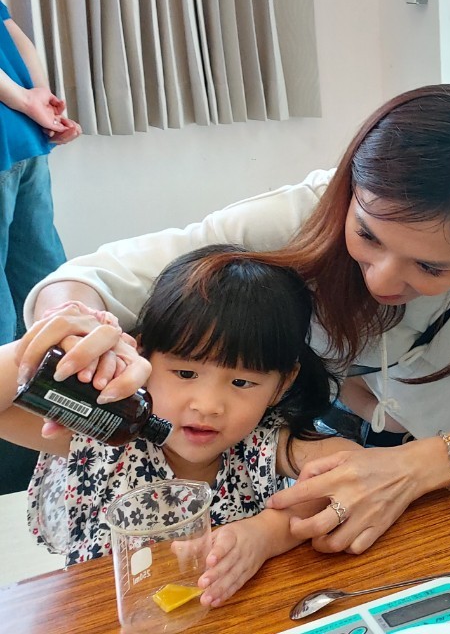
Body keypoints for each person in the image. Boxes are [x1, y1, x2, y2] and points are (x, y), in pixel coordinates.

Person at [25, 84, 450, 554]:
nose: (382, 280)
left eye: (431, 267)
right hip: (343, 446)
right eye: (368, 234)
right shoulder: (299, 214)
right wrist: (82, 331)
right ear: (353, 187)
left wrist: (415, 467)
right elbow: (95, 276)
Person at [3, 246, 355, 605]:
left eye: (241, 382)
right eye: (185, 373)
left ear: (281, 384)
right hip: (102, 612)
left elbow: (352, 469)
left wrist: (267, 533)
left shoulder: (261, 443)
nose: (207, 405)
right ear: (142, 356)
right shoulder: (106, 430)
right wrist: (60, 344)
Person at [0, 0, 80, 344]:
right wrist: (40, 99)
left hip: (14, 129)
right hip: (23, 138)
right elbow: (17, 38)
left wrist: (29, 100)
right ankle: (65, 366)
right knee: (40, 268)